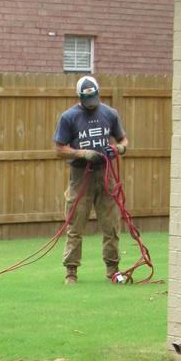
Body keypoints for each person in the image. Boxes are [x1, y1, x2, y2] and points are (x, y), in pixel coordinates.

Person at [53, 75, 128, 285]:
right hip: (80, 177)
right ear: (79, 97)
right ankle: (71, 272)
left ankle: (113, 269)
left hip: (105, 175)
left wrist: (118, 148)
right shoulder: (69, 117)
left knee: (111, 224)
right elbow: (59, 148)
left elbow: (123, 139)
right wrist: (82, 154)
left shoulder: (110, 114)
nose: (91, 102)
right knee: (75, 226)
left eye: (94, 97)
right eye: (87, 99)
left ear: (98, 93)